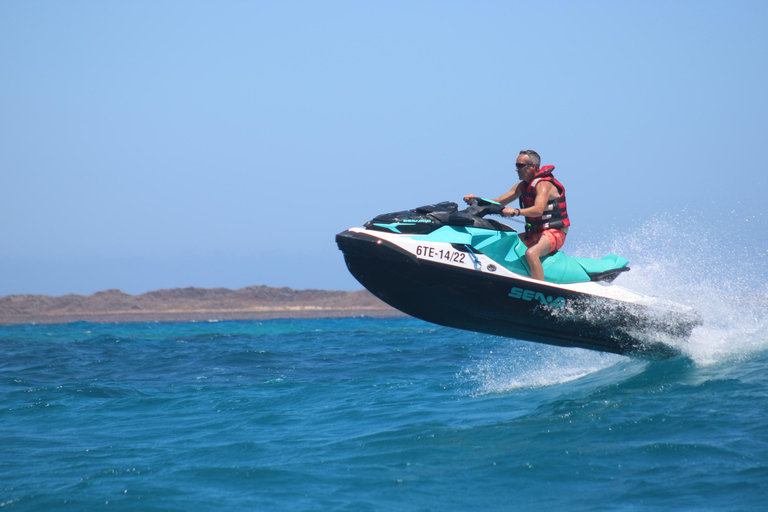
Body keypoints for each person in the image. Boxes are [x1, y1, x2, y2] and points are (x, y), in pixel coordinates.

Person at [464, 150, 569, 281]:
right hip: (534, 233)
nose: (516, 169)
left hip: (555, 232)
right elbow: (498, 201)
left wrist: (516, 211)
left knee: (531, 254)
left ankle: (538, 290)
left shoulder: (544, 185)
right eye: (516, 165)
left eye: (520, 166)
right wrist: (477, 199)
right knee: (502, 244)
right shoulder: (522, 186)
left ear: (534, 166)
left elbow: (538, 210)